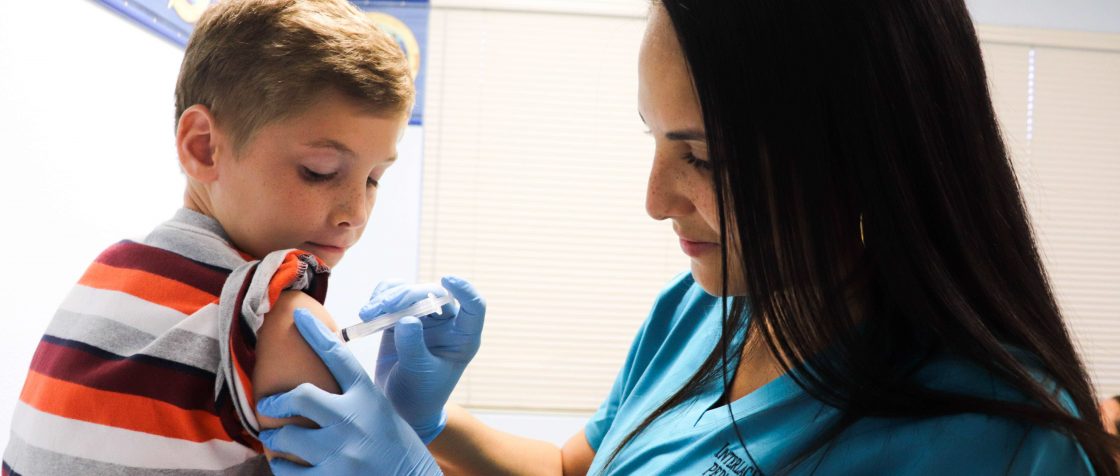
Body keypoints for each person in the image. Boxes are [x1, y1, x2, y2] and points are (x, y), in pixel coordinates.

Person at [255, 0, 1120, 474]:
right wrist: (430, 423)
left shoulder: (996, 444)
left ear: (868, 160)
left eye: (704, 158)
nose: (656, 200)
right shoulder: (702, 310)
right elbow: (577, 469)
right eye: (656, 139)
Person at [0, 0, 476, 474]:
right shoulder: (277, 321)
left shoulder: (107, 275)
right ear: (203, 147)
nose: (356, 212)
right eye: (319, 171)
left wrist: (411, 431)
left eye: (373, 179)